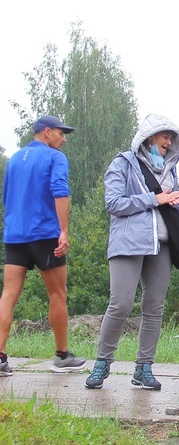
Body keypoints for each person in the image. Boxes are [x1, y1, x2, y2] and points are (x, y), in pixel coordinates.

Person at [84, 114, 179, 390]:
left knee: (154, 308)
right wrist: (155, 198)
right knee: (120, 304)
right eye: (164, 136)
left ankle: (144, 368)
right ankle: (102, 363)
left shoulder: (169, 168)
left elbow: (172, 207)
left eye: (171, 137)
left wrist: (175, 203)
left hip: (162, 244)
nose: (168, 141)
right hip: (128, 243)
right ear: (149, 137)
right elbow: (114, 203)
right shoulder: (123, 163)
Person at [0, 115, 86, 375]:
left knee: (8, 295)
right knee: (58, 294)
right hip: (46, 235)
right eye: (61, 133)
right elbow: (60, 190)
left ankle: (0, 356)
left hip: (15, 236)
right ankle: (62, 356)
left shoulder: (14, 158)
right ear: (47, 132)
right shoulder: (55, 158)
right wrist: (64, 231)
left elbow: (6, 197)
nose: (64, 139)